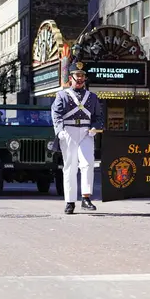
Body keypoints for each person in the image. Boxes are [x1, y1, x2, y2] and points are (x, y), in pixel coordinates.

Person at [51, 60, 104, 214]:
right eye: (76, 75)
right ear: (71, 78)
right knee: (70, 167)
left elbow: (98, 116)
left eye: (82, 76)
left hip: (86, 132)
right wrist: (59, 130)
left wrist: (96, 127)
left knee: (88, 164)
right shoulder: (62, 95)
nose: (79, 78)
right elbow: (56, 114)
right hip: (69, 131)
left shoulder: (92, 97)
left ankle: (86, 198)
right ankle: (70, 201)